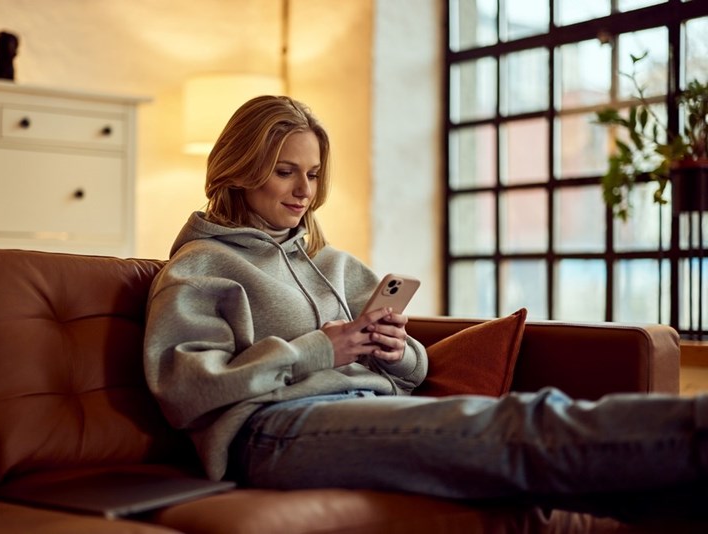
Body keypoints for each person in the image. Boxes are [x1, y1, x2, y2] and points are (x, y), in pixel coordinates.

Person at [144, 95, 708, 518]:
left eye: (313, 174)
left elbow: (412, 366)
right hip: (271, 432)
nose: (304, 191)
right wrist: (320, 349)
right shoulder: (201, 266)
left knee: (529, 454)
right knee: (518, 423)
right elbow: (187, 390)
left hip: (365, 406)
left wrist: (398, 353)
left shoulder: (335, 263)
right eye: (285, 171)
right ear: (241, 170)